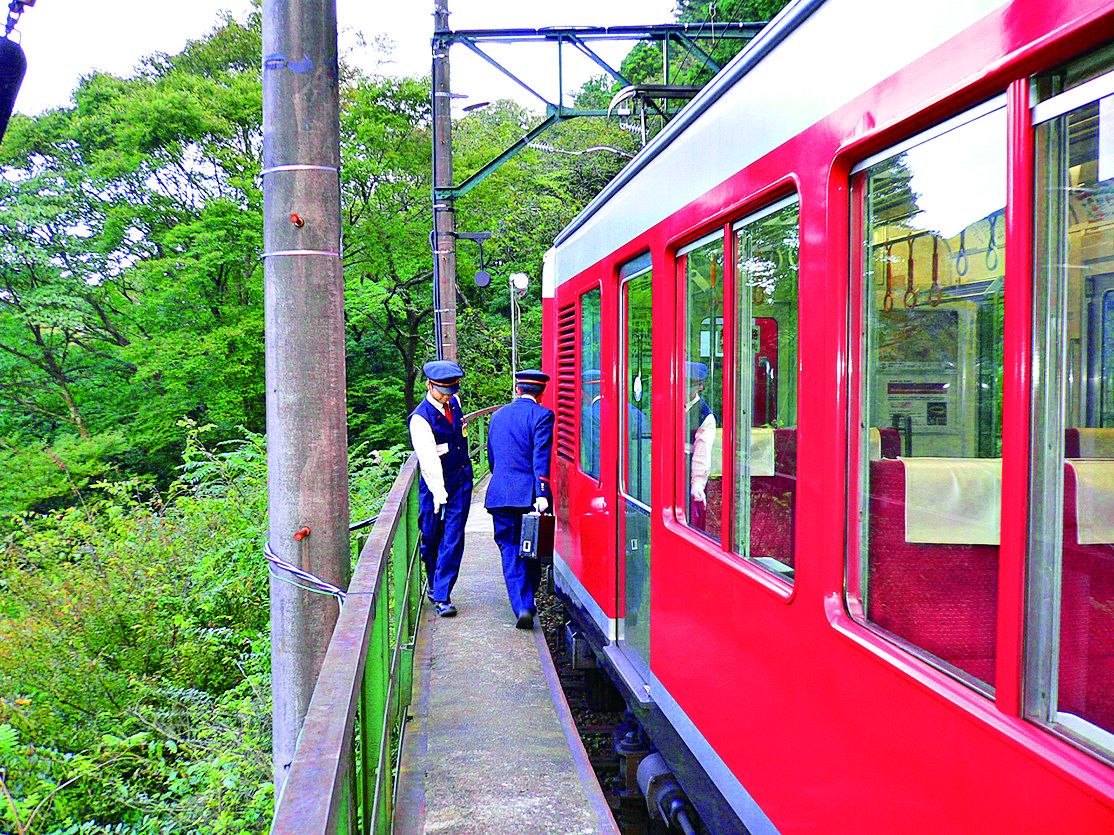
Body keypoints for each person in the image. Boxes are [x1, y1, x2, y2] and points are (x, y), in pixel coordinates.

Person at [485, 369, 555, 629]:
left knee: (509, 547)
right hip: (528, 495)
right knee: (532, 549)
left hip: (500, 493)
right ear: (542, 393)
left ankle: (523, 605)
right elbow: (541, 457)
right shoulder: (543, 415)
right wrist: (542, 493)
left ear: (517, 390)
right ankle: (527, 599)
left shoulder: (498, 415)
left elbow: (493, 457)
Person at [409, 360, 473, 617]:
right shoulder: (420, 419)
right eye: (443, 391)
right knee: (431, 536)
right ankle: (434, 583)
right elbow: (429, 461)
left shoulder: (454, 404)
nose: (448, 396)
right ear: (429, 385)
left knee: (453, 537)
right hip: (435, 485)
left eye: (451, 391)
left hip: (461, 481)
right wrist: (439, 494)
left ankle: (443, 595)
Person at [685, 361, 716, 531]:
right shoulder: (672, 405)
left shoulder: (705, 416)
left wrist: (697, 485)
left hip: (686, 476)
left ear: (700, 387)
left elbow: (702, 454)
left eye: (688, 384)